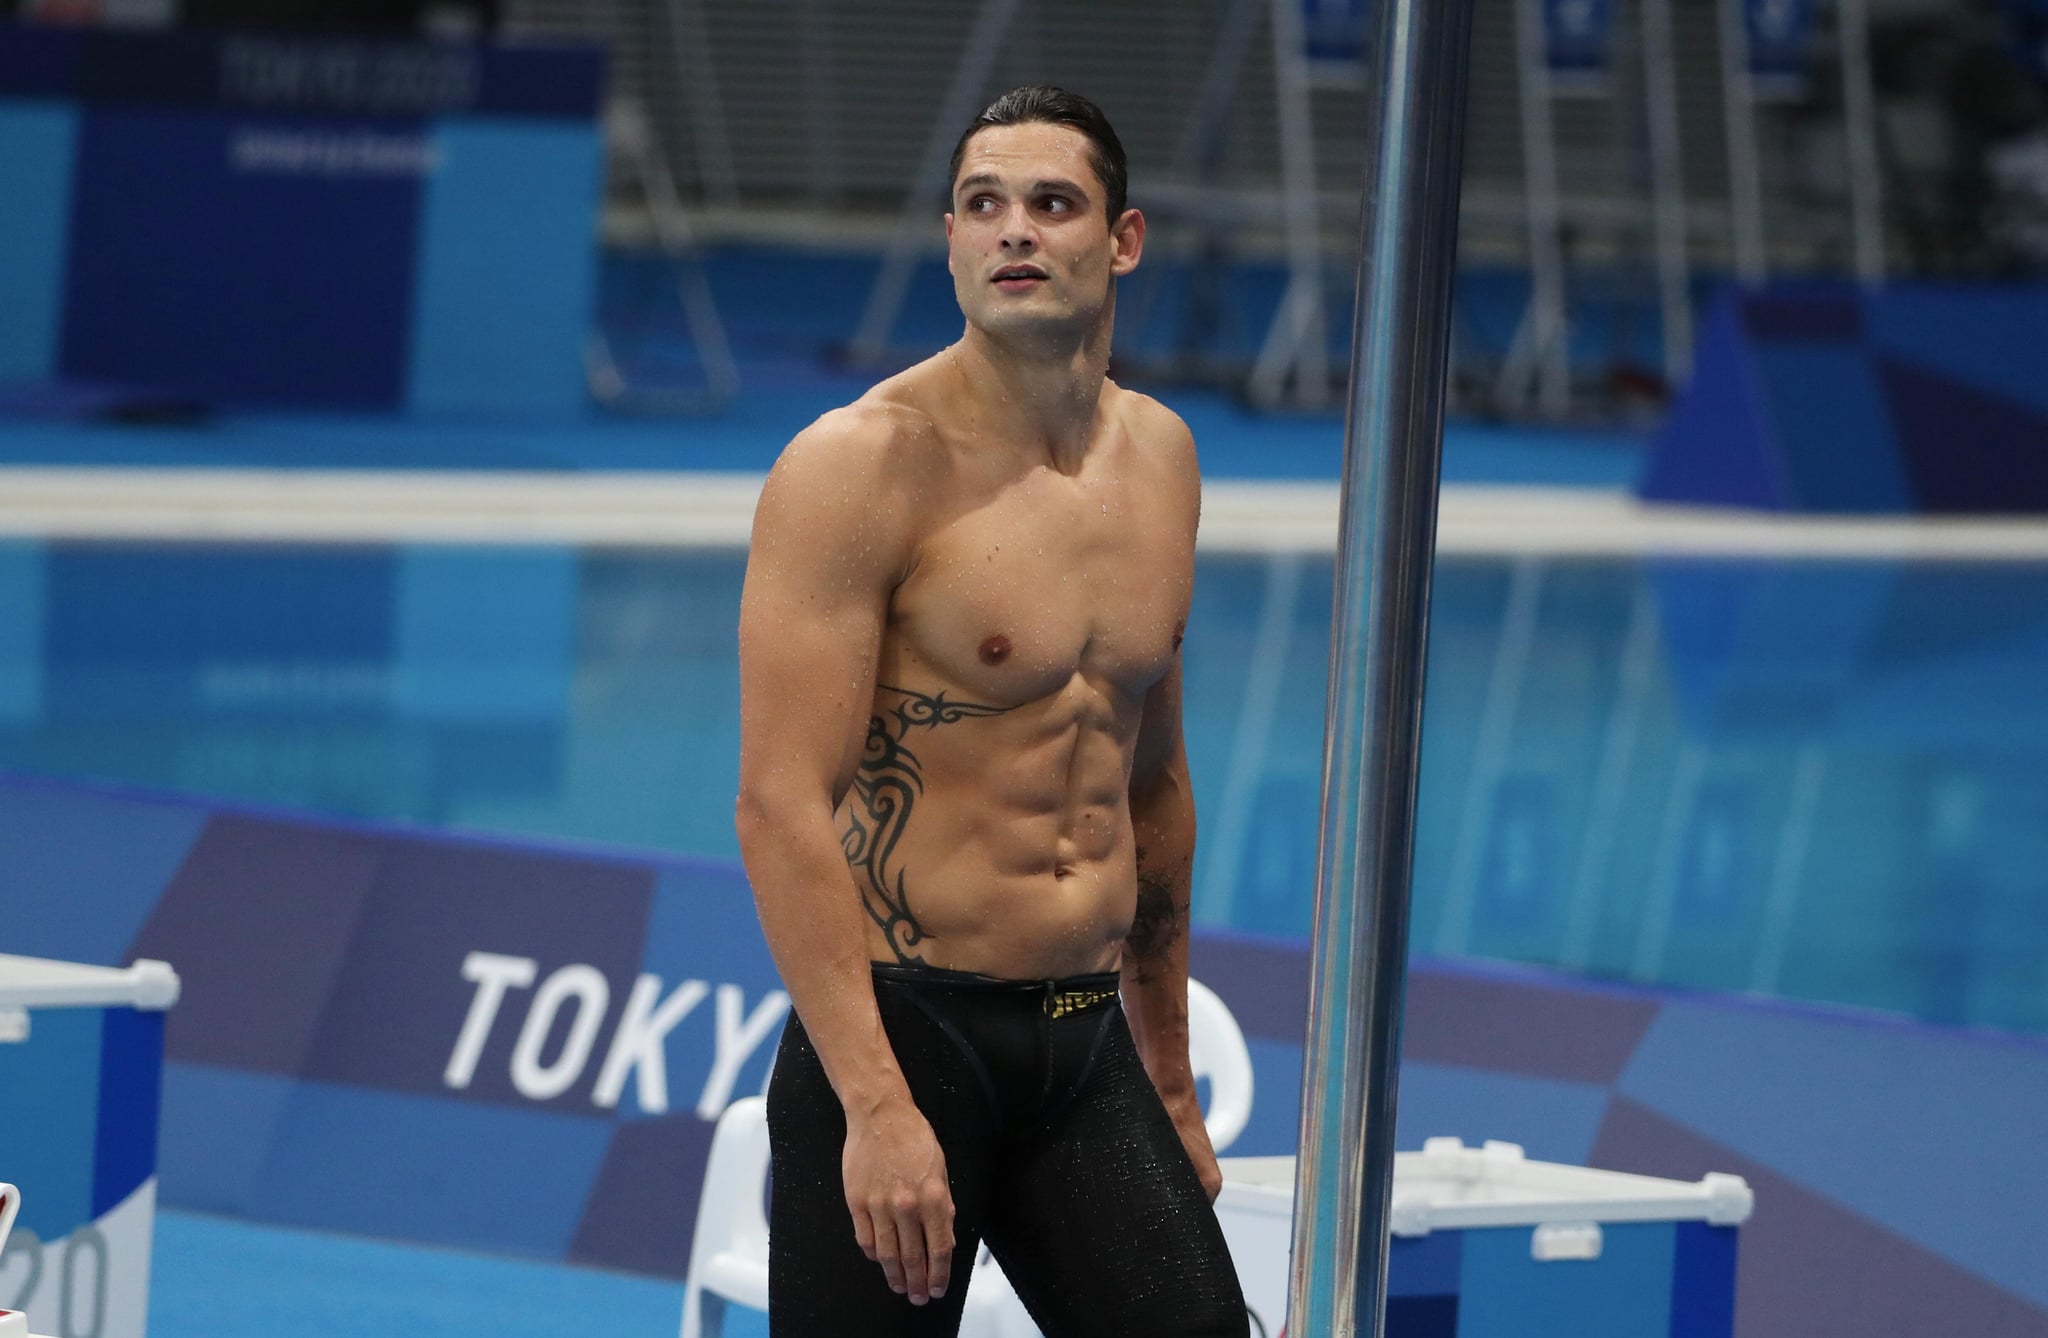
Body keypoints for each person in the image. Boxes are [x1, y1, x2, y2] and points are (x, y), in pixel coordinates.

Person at [734, 85, 1248, 1337]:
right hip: (907, 1035)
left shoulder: (1162, 460)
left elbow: (1152, 785)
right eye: (982, 205)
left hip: (1083, 1046)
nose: (1012, 230)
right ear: (952, 241)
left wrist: (1169, 1075)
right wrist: (872, 1105)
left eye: (1050, 203)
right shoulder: (860, 466)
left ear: (1119, 241)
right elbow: (778, 805)